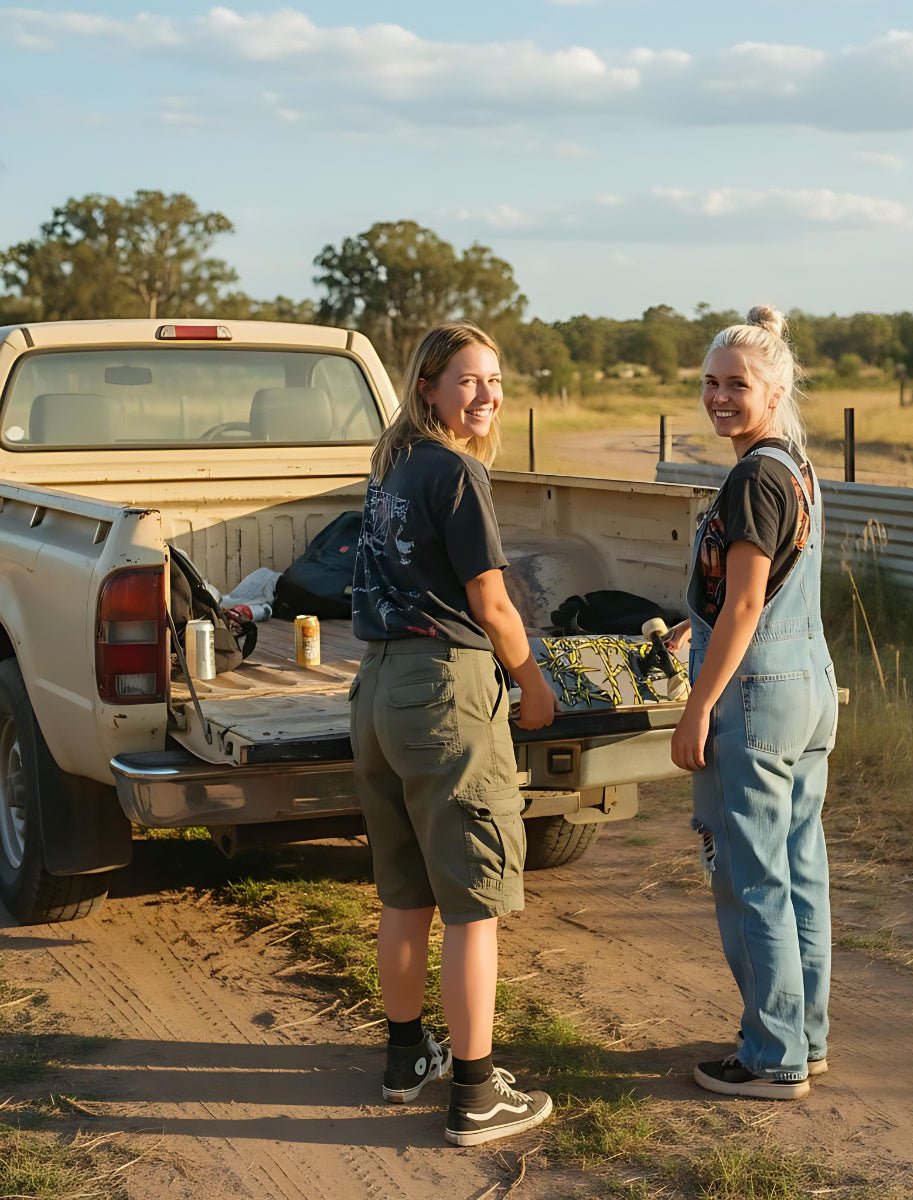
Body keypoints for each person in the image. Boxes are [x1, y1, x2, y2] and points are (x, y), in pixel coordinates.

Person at [350, 322, 557, 1146]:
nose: (486, 395)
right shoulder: (459, 471)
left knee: (404, 892)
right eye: (468, 380)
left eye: (496, 380)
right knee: (473, 903)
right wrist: (532, 683)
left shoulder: (392, 469)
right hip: (443, 691)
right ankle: (476, 1094)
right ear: (429, 387)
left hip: (377, 690)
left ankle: (408, 1059)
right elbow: (492, 601)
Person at [666, 305, 838, 1100]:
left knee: (750, 876)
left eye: (736, 384)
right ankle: (805, 1034)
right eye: (710, 382)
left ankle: (771, 1057)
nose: (718, 397)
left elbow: (743, 608)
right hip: (808, 688)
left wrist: (698, 705)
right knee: (799, 870)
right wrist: (688, 624)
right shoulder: (796, 466)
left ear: (775, 389)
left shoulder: (752, 477)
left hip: (757, 696)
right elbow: (751, 594)